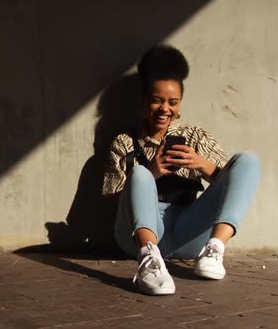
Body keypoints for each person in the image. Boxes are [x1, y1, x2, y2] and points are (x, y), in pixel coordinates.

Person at [102, 45, 261, 295]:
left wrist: (203, 165)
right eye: (157, 100)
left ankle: (215, 249)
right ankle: (149, 260)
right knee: (140, 173)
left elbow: (232, 185)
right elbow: (113, 203)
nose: (165, 109)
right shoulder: (125, 141)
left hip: (188, 234)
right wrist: (152, 171)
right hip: (138, 237)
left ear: (179, 105)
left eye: (172, 102)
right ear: (144, 101)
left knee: (248, 161)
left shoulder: (195, 137)